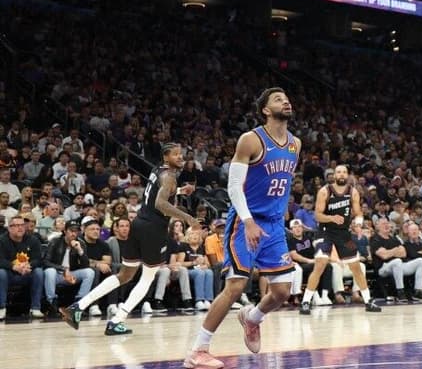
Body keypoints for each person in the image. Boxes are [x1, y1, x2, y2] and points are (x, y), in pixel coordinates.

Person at [184, 88, 300, 369]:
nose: (285, 101)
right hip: (245, 221)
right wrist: (248, 221)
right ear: (264, 109)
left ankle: (252, 318)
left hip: (273, 225)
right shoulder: (251, 140)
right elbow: (234, 186)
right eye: (277, 99)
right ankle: (198, 350)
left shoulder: (296, 143)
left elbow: (282, 184)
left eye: (286, 98)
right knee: (236, 285)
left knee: (283, 291)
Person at [61, 143, 200, 335]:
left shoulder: (158, 170)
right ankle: (117, 320)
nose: (180, 157)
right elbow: (161, 204)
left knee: (125, 275)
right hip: (153, 230)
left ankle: (77, 308)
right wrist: (188, 218)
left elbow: (155, 196)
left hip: (138, 224)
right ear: (166, 157)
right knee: (148, 277)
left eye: (181, 153)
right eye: (176, 154)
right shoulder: (170, 176)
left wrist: (179, 192)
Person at [300, 164, 380, 314]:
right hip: (325, 232)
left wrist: (358, 223)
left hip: (343, 233)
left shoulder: (353, 192)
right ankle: (305, 302)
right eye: (339, 172)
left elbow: (358, 213)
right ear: (334, 175)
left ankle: (368, 301)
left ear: (347, 175)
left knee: (356, 266)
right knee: (321, 263)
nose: (341, 175)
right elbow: (317, 215)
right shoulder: (325, 191)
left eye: (344, 172)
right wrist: (331, 217)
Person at [0, 214, 45, 319]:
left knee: (38, 271)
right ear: (9, 228)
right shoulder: (2, 240)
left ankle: (35, 308)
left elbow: (38, 259)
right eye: (16, 225)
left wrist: (29, 265)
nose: (20, 227)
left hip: (26, 273)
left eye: (22, 225)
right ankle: (1, 308)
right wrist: (13, 266)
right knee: (1, 273)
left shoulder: (33, 240)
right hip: (9, 274)